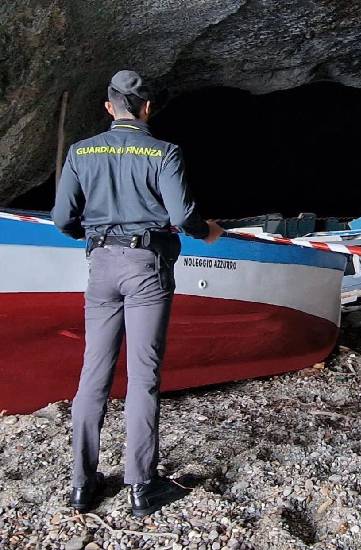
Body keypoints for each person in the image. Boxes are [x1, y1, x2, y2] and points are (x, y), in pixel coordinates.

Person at [52, 70, 225, 516]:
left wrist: (89, 233)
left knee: (93, 375)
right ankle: (142, 487)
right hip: (146, 267)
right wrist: (207, 232)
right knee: (143, 376)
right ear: (147, 109)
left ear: (109, 108)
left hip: (102, 266)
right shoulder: (164, 153)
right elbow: (182, 215)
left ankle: (81, 485)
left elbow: (61, 219)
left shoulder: (80, 152)